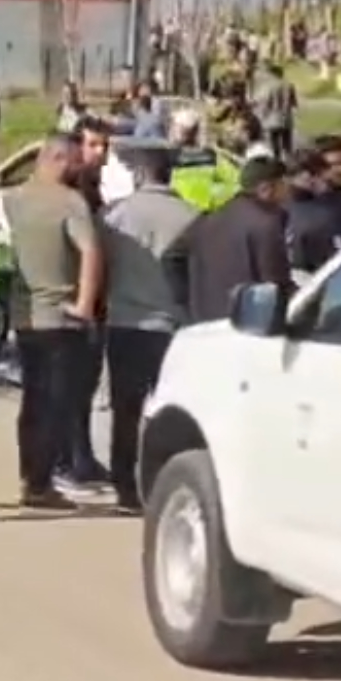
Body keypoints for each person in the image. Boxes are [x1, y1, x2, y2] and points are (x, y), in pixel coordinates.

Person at [100, 145, 203, 512]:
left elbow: (103, 266)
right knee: (170, 412)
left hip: (126, 323)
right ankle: (165, 483)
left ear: (140, 174)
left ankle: (124, 485)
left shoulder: (117, 216)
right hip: (173, 328)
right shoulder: (192, 216)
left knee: (125, 411)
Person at [5, 134, 104, 511]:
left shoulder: (13, 199)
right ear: (58, 159)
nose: (80, 168)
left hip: (25, 316)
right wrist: (85, 304)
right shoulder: (70, 202)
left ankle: (29, 477)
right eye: (75, 161)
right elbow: (91, 251)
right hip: (61, 317)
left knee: (33, 400)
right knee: (57, 403)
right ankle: (40, 484)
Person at [185, 156, 295, 323]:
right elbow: (275, 283)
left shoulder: (210, 218)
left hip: (206, 318)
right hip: (248, 320)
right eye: (284, 184)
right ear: (266, 189)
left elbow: (175, 256)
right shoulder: (266, 224)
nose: (288, 189)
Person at [282, 148, 341, 275]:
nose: (327, 180)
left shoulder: (275, 208)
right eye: (322, 176)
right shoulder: (321, 216)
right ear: (307, 177)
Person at [165, 108, 237, 212]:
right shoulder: (211, 156)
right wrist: (213, 197)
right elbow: (235, 184)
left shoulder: (166, 157)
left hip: (176, 213)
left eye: (174, 127)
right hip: (204, 213)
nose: (171, 130)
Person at [251, 62, 299, 157]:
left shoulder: (268, 87)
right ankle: (289, 160)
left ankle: (277, 161)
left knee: (274, 145)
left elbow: (265, 103)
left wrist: (261, 115)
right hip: (286, 118)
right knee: (287, 144)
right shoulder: (289, 85)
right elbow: (294, 103)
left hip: (272, 119)